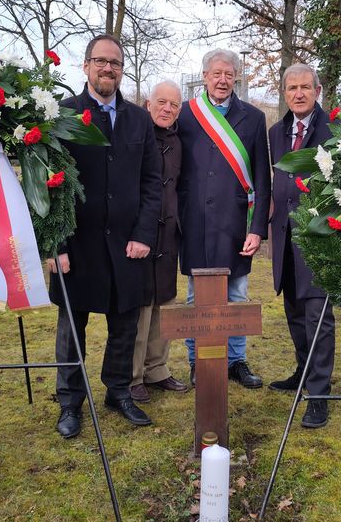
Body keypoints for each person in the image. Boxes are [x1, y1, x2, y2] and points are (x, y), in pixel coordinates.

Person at [48, 34, 161, 439]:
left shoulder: (139, 119)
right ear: (86, 66)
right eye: (101, 61)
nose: (108, 69)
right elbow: (48, 184)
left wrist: (145, 233)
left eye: (115, 62)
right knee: (71, 328)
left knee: (125, 325)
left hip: (127, 244)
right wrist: (56, 245)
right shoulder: (63, 114)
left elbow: (152, 182)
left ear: (121, 69)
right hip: (77, 246)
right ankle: (69, 402)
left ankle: (117, 390)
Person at [177, 48, 271, 389]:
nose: (222, 80)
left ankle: (236, 361)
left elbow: (263, 177)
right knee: (195, 295)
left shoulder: (254, 117)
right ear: (204, 77)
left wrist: (258, 228)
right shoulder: (185, 115)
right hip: (195, 221)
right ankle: (195, 361)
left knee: (238, 294)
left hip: (236, 223)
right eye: (216, 73)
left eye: (229, 74)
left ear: (236, 78)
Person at [267, 63, 336, 428]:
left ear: (317, 90)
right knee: (294, 310)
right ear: (284, 92)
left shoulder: (334, 131)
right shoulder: (276, 132)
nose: (298, 93)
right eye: (291, 87)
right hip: (284, 235)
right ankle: (303, 371)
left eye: (305, 87)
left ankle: (319, 394)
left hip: (318, 238)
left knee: (318, 317)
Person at [130, 80, 189, 403]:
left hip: (168, 234)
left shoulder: (178, 140)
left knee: (164, 304)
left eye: (174, 104)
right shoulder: (133, 134)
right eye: (162, 102)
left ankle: (157, 369)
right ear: (148, 102)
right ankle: (133, 375)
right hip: (139, 233)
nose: (167, 109)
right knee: (139, 308)